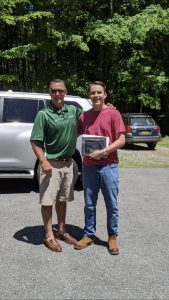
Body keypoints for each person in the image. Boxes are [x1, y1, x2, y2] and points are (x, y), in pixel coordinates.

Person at [30, 79, 82, 252]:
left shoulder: (74, 110)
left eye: (60, 90)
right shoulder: (43, 114)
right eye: (54, 91)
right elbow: (35, 141)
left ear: (66, 92)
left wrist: (107, 107)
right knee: (47, 201)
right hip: (51, 165)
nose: (57, 94)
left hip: (69, 164)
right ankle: (48, 236)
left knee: (62, 199)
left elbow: (91, 118)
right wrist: (43, 161)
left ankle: (61, 231)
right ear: (50, 92)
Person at [74, 81, 126, 255]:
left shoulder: (114, 113)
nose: (96, 95)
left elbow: (121, 140)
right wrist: (84, 148)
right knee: (89, 204)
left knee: (111, 204)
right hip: (89, 166)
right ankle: (89, 234)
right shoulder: (83, 116)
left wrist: (103, 151)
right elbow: (80, 136)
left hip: (109, 166)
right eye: (92, 92)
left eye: (99, 92)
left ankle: (112, 236)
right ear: (89, 95)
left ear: (105, 95)